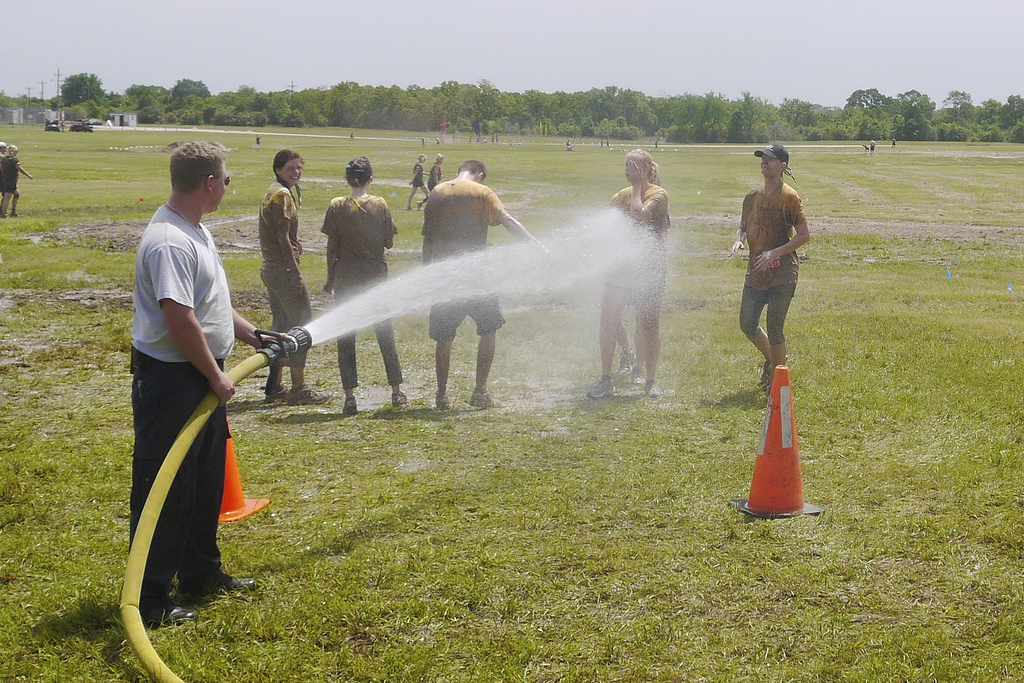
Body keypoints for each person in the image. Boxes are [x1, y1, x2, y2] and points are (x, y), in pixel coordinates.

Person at [130, 141, 261, 627]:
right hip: (173, 381)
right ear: (209, 183)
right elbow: (179, 318)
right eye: (226, 180)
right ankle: (149, 599)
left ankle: (201, 574)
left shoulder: (195, 232)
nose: (226, 188)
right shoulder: (169, 241)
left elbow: (207, 303)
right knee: (166, 489)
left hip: (199, 374)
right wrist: (215, 375)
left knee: (204, 482)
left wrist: (251, 333)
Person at [422, 159, 546, 410]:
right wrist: (537, 246)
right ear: (479, 174)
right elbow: (508, 220)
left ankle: (441, 396)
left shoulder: (437, 193)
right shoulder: (481, 192)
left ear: (459, 171)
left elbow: (428, 240)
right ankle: (480, 392)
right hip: (477, 276)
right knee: (488, 329)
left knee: (444, 337)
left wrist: (427, 274)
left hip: (446, 276)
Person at [321, 156, 408, 415]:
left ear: (347, 180)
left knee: (346, 337)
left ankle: (349, 396)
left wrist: (330, 278)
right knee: (384, 333)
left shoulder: (337, 205)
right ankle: (396, 391)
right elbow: (388, 242)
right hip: (375, 277)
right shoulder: (380, 204)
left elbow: (331, 247)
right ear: (371, 179)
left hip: (346, 276)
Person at [587, 149, 670, 400]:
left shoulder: (658, 194)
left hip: (650, 268)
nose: (628, 169)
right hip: (622, 267)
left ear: (646, 168)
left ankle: (650, 380)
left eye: (633, 165)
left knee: (648, 323)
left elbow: (639, 215)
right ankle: (606, 378)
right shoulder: (618, 197)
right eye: (625, 165)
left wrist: (636, 187)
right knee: (608, 320)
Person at [728, 144, 810, 394]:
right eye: (762, 158)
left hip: (783, 272)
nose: (764, 162)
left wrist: (775, 252)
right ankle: (773, 362)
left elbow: (804, 235)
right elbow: (743, 226)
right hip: (756, 272)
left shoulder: (789, 196)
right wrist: (739, 239)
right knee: (747, 323)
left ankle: (778, 384)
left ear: (782, 166)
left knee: (775, 325)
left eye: (770, 159)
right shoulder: (751, 197)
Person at [258, 149, 331, 406]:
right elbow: (282, 237)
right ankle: (299, 388)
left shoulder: (274, 190)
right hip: (282, 270)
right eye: (291, 168)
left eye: (299, 167)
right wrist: (295, 272)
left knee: (280, 327)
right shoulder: (283, 194)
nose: (296, 172)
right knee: (302, 324)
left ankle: (274, 386)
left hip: (270, 269)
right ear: (278, 169)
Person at [1, 145, 34, 217]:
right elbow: (20, 169)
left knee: (16, 194)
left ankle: (13, 211)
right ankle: (3, 214)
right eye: (16, 151)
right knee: (7, 198)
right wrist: (28, 175)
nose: (17, 153)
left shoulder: (4, 159)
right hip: (11, 180)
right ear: (12, 151)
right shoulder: (14, 160)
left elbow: (1, 168)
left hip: (6, 179)